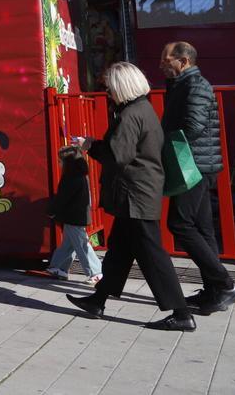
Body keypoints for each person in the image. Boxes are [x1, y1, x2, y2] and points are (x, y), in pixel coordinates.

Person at [67, 62, 195, 331]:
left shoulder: (129, 115)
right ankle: (98, 300)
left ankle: (182, 313)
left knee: (152, 255)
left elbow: (118, 156)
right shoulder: (143, 109)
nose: (108, 92)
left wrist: (90, 145)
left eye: (110, 88)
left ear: (121, 87)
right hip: (139, 192)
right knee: (119, 251)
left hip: (134, 194)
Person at [160, 42, 235, 314]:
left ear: (183, 61)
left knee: (179, 223)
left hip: (193, 167)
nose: (162, 65)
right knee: (204, 229)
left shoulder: (195, 86)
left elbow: (193, 128)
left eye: (166, 60)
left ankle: (226, 285)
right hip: (195, 164)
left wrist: (162, 143)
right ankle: (214, 291)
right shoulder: (182, 85)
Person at [46, 145, 102, 285]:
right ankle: (58, 268)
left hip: (73, 217)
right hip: (77, 216)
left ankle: (96, 273)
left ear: (68, 163)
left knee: (82, 245)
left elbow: (62, 198)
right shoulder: (80, 176)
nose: (59, 164)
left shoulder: (70, 179)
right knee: (69, 244)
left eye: (60, 161)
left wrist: (51, 211)